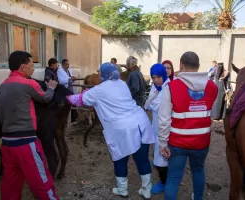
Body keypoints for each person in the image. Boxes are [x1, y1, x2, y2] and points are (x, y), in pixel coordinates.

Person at [67, 62, 155, 199]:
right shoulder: (122, 84)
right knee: (142, 159)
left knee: (120, 158)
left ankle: (122, 189)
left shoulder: (98, 90)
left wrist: (66, 97)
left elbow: (78, 100)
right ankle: (147, 189)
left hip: (122, 129)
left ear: (103, 74)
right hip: (141, 122)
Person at [0, 51, 59, 200]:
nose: (33, 69)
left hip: (6, 144)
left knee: (11, 185)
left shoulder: (1, 87)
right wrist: (51, 88)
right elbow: (45, 99)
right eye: (31, 66)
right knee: (42, 183)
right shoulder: (28, 83)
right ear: (23, 67)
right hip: (26, 143)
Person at [158, 52, 218, 200]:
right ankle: (198, 197)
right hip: (201, 142)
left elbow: (164, 120)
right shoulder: (212, 87)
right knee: (198, 170)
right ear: (198, 67)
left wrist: (162, 143)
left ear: (181, 66)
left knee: (173, 177)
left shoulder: (171, 87)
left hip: (177, 143)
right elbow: (213, 115)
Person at [144, 64, 170, 195]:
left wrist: (153, 105)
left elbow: (161, 106)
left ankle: (164, 183)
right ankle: (165, 180)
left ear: (164, 75)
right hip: (156, 124)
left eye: (158, 77)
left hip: (165, 127)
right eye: (153, 77)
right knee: (159, 154)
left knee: (161, 157)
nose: (155, 80)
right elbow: (151, 103)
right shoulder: (156, 86)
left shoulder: (169, 87)